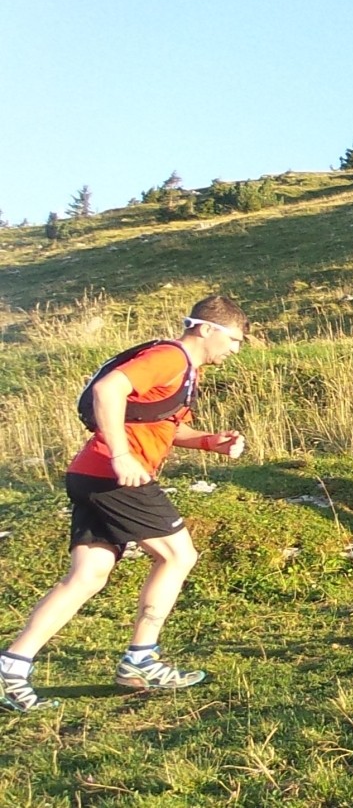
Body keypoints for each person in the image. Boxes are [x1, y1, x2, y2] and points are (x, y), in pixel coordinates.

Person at [1, 296, 251, 713]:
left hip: (90, 474)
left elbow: (161, 424)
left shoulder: (186, 371)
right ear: (206, 329)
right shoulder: (169, 357)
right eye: (235, 340)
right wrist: (121, 455)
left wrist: (208, 441)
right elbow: (109, 388)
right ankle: (141, 661)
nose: (236, 350)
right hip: (113, 474)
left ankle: (11, 668)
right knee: (178, 555)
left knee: (87, 575)